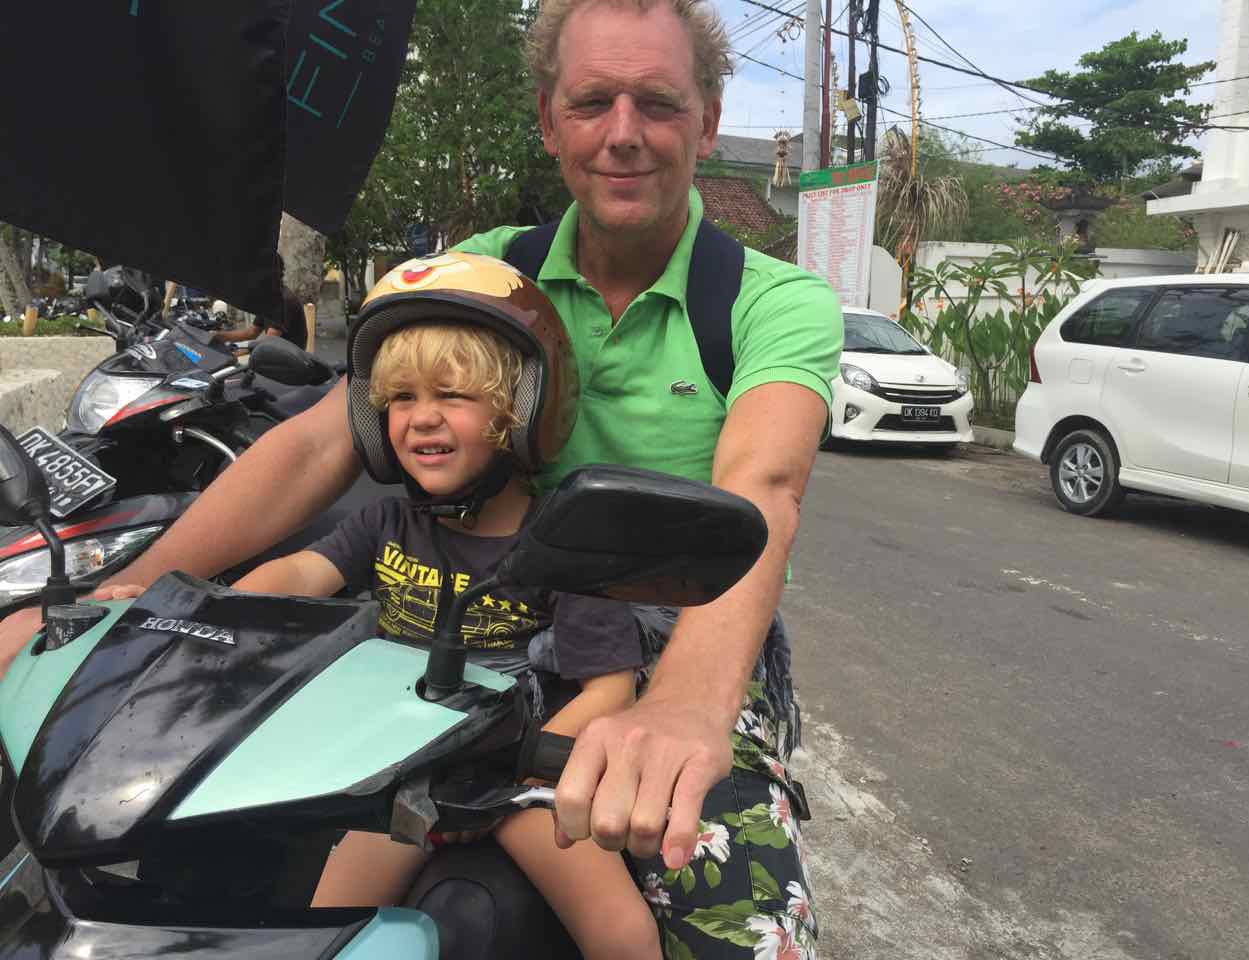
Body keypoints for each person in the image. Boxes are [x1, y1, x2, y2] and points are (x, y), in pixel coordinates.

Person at [8, 1, 840, 955]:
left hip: (676, 643)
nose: (623, 133)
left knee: (739, 923)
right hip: (465, 631)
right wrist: (136, 590)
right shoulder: (482, 275)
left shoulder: (772, 302)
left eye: (657, 102)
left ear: (709, 117)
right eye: (592, 101)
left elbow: (763, 487)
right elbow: (316, 445)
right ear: (549, 120)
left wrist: (684, 706)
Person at [110, 255, 660, 959]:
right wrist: (193, 604)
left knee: (619, 932)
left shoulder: (558, 545)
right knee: (330, 924)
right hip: (404, 774)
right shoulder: (388, 523)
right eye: (400, 398)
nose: (421, 416)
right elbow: (300, 574)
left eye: (453, 395)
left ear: (521, 411)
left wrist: (509, 772)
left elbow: (609, 692)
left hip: (518, 773)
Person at [212, 253, 308, 350]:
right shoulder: (268, 298)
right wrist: (219, 336)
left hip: (288, 357)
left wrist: (240, 351)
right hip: (277, 352)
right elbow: (252, 332)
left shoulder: (283, 300)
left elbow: (269, 342)